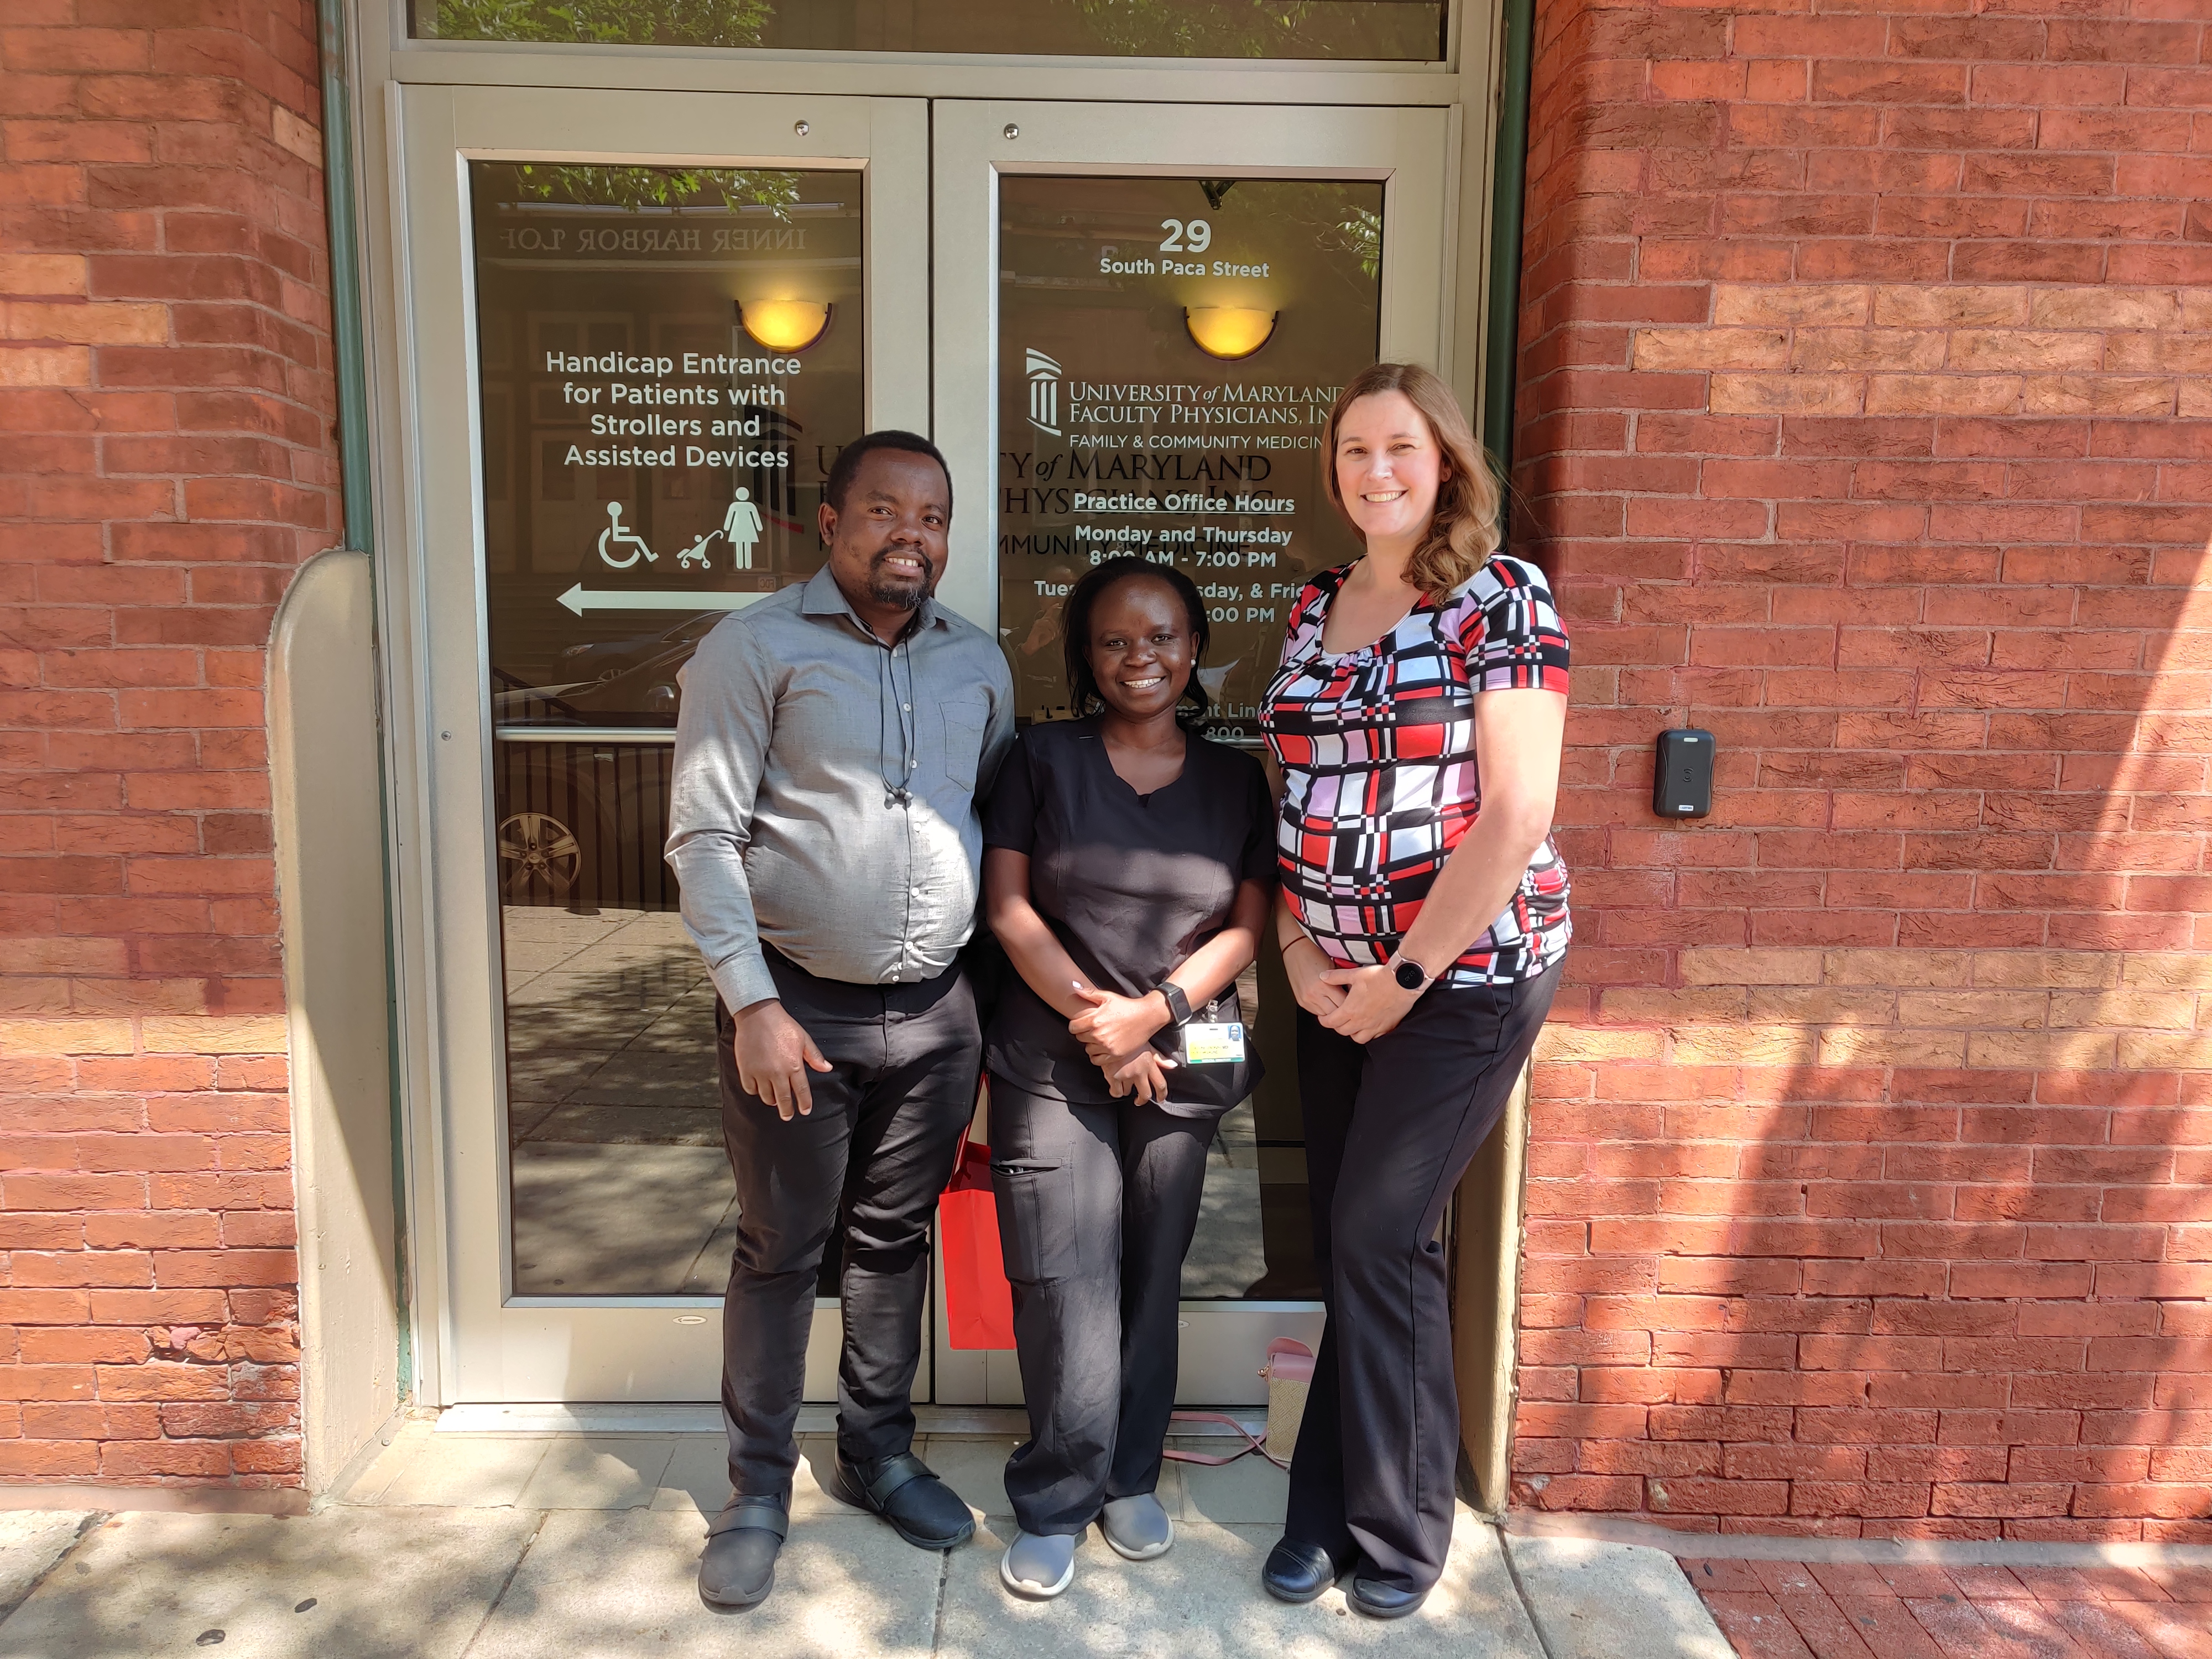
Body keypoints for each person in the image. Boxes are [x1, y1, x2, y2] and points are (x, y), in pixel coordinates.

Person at [667, 430, 1015, 1610]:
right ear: (829, 522)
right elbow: (704, 838)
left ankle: (878, 1455)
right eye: (883, 511)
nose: (909, 535)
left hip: (935, 1012)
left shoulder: (977, 660)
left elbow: (994, 821)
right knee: (780, 1250)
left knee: (890, 1243)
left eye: (931, 517)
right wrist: (750, 1003)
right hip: (793, 1009)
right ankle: (756, 1488)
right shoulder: (751, 647)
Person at [1258, 363, 1571, 1619]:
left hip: (1461, 977)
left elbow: (1516, 813)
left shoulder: (1503, 598)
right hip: (1328, 976)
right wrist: (1296, 957)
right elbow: (1292, 799)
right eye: (1350, 451)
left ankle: (1396, 1534)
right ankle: (1324, 1510)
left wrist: (1398, 975)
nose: (1373, 471)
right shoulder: (1312, 602)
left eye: (1398, 448)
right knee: (1358, 1236)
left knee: (1378, 1236)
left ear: (1443, 461)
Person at [980, 557, 1274, 1600]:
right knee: (1064, 1273)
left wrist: (1156, 1015)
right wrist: (1099, 1022)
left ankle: (1131, 1478)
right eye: (1113, 640)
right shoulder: (1041, 759)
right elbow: (1009, 909)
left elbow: (1247, 927)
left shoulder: (1238, 777)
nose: (1138, 657)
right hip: (1054, 1054)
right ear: (1086, 656)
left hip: (1186, 1051)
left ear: (1195, 650)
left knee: (1153, 1268)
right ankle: (1058, 1494)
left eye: (1161, 638)